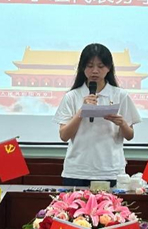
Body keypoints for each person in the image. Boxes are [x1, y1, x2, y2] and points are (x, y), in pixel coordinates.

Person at [53, 43, 141, 187]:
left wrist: (122, 124)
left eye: (100, 66)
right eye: (89, 66)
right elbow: (64, 135)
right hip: (77, 171)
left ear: (109, 67)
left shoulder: (120, 95)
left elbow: (130, 135)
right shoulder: (72, 96)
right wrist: (82, 111)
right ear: (82, 67)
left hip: (110, 171)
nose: (95, 71)